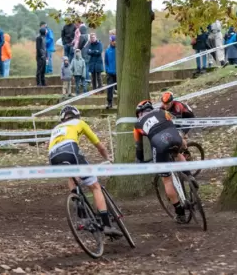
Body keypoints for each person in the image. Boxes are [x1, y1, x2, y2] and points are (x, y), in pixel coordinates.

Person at [48, 105, 122, 236]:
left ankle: (81, 214)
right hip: (70, 150)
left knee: (72, 177)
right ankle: (106, 225)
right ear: (77, 116)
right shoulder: (79, 122)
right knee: (95, 186)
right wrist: (107, 157)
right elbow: (98, 144)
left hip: (53, 156)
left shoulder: (56, 128)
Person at [134, 100, 189, 223]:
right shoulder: (162, 111)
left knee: (167, 180)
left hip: (159, 145)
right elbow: (175, 124)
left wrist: (140, 160)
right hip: (174, 137)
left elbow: (139, 147)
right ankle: (190, 176)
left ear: (139, 113)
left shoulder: (137, 124)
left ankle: (180, 213)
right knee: (179, 153)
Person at [105, 35, 117, 109]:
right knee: (109, 88)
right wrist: (107, 70)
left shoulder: (118, 50)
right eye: (111, 41)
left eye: (113, 41)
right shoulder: (107, 50)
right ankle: (109, 103)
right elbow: (106, 62)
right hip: (110, 73)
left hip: (118, 73)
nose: (112, 42)